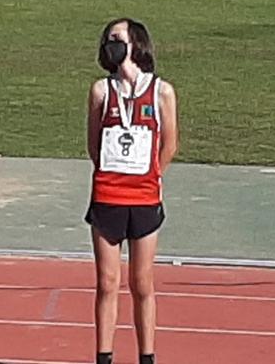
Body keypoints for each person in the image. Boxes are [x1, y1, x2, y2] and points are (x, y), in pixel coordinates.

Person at [86, 18, 179, 364]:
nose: (111, 44)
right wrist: (112, 171)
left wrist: (153, 174)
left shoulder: (161, 92)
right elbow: (93, 145)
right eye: (108, 39)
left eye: (117, 38)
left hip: (144, 198)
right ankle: (104, 356)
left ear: (136, 43)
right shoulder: (101, 91)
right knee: (107, 282)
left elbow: (170, 143)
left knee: (142, 284)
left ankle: (147, 357)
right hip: (107, 196)